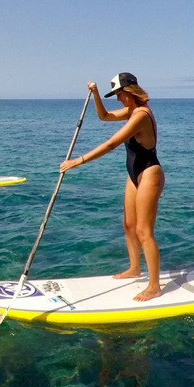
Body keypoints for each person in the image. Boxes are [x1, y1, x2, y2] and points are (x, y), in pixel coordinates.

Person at [59, 73, 165, 301]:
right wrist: (96, 94)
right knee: (128, 225)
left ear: (130, 92)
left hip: (149, 173)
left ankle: (154, 286)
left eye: (119, 95)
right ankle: (134, 268)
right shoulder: (131, 111)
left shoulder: (141, 115)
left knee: (144, 231)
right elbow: (104, 116)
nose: (117, 99)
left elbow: (112, 143)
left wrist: (79, 160)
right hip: (134, 174)